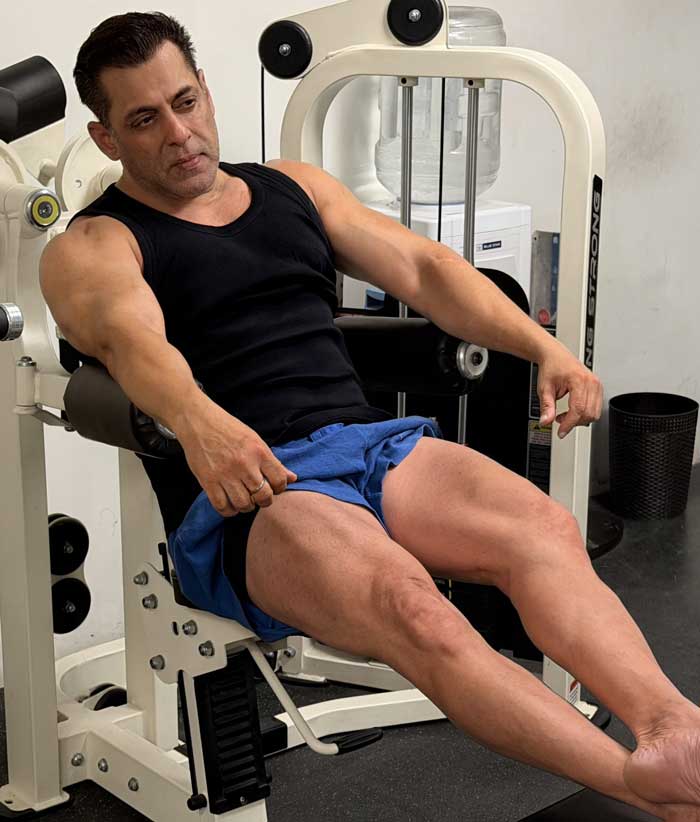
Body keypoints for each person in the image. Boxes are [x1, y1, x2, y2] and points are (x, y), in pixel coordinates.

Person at [39, 12, 699, 821]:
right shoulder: (96, 244)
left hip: (370, 444)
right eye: (145, 120)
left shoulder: (292, 188)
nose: (179, 134)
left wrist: (545, 348)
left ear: (205, 90)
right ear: (106, 139)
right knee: (414, 608)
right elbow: (131, 340)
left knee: (543, 529)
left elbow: (424, 267)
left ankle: (674, 733)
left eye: (184, 101)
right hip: (260, 491)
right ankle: (642, 788)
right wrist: (201, 422)